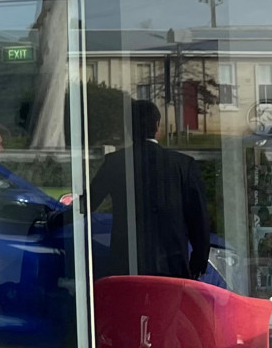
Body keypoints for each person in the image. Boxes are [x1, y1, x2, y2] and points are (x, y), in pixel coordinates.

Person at [86, 99, 211, 279]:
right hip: (172, 265)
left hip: (126, 264)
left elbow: (88, 203)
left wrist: (54, 219)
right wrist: (198, 263)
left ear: (129, 129)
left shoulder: (115, 162)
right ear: (157, 126)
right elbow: (199, 219)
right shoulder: (183, 165)